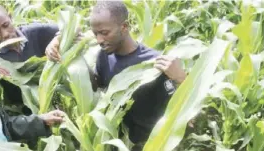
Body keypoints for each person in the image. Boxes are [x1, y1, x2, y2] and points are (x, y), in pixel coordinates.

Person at [45, 1, 187, 150]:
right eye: (96, 34)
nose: (99, 40)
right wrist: (71, 52)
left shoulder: (153, 63)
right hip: (117, 142)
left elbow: (186, 112)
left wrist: (181, 79)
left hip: (151, 144)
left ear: (124, 27)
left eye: (105, 33)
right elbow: (99, 85)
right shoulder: (104, 55)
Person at [0, 3, 59, 115]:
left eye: (6, 25)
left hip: (56, 99)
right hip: (23, 114)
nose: (5, 34)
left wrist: (56, 40)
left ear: (10, 17)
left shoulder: (34, 33)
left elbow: (72, 26)